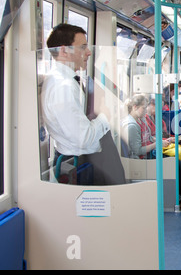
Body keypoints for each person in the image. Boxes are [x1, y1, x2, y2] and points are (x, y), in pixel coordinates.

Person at [42, 23, 125, 185]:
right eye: (82, 47)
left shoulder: (67, 81)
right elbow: (84, 139)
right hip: (78, 164)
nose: (88, 53)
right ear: (64, 50)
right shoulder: (63, 87)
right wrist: (104, 116)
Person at [122, 94, 181, 208]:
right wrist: (157, 144)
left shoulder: (141, 120)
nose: (145, 111)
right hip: (143, 160)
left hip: (151, 154)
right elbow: (138, 151)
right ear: (134, 107)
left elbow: (149, 138)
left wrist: (163, 140)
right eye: (143, 108)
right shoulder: (131, 126)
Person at [143, 98, 181, 189]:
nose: (159, 109)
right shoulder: (145, 120)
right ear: (150, 105)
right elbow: (152, 138)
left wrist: (173, 138)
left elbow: (164, 133)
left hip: (166, 144)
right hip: (159, 147)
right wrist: (168, 139)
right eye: (157, 106)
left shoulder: (159, 120)